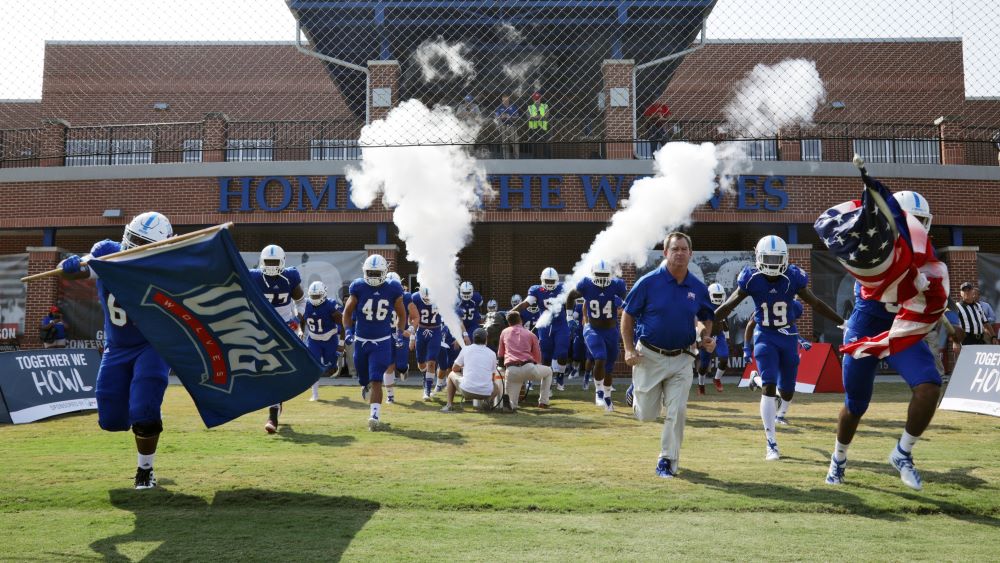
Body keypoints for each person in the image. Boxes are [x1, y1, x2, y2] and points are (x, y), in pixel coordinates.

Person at [823, 189, 945, 491]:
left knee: (929, 385)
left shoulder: (924, 257)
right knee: (855, 405)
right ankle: (838, 457)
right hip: (866, 330)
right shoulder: (872, 254)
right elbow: (887, 280)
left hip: (899, 329)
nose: (915, 228)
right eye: (908, 221)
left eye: (920, 222)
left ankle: (902, 453)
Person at [57, 211, 174, 489]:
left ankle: (145, 470)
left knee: (144, 409)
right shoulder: (109, 252)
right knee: (110, 419)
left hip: (152, 344)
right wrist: (70, 264)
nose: (134, 248)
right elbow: (84, 266)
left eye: (142, 243)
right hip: (118, 346)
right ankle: (144, 418)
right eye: (132, 239)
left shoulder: (169, 266)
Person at [714, 235, 844, 461]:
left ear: (785, 258)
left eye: (777, 258)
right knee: (770, 388)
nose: (773, 264)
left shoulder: (793, 276)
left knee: (787, 391)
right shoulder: (751, 278)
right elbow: (729, 305)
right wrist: (707, 320)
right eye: (768, 258)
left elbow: (816, 303)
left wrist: (842, 321)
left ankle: (755, 380)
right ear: (758, 258)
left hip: (787, 337)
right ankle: (771, 444)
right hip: (765, 335)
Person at [621, 232, 715, 479]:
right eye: (675, 249)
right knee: (646, 415)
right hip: (649, 356)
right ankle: (635, 392)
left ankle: (666, 460)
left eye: (684, 249)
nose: (680, 253)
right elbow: (627, 315)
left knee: (677, 411)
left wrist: (705, 337)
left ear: (690, 254)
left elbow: (706, 316)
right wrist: (629, 349)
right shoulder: (648, 282)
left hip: (683, 358)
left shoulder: (697, 287)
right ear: (665, 252)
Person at [342, 254, 407, 431]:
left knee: (376, 378)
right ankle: (366, 386)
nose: (373, 276)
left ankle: (374, 416)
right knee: (364, 380)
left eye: (376, 272)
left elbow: (402, 314)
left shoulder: (393, 288)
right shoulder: (358, 286)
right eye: (370, 272)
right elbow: (347, 313)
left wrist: (399, 333)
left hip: (382, 341)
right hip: (362, 341)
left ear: (385, 272)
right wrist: (348, 331)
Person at [249, 244, 305, 434]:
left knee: (277, 370)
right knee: (262, 371)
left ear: (283, 262)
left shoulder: (290, 276)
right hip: (262, 328)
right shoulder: (254, 276)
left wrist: (297, 320)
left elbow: (301, 301)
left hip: (284, 328)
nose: (272, 266)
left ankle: (273, 413)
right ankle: (276, 404)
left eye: (275, 262)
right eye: (268, 262)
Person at [573, 260, 627, 411]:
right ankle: (598, 392)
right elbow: (573, 296)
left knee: (609, 368)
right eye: (599, 274)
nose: (602, 277)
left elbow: (626, 306)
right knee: (600, 357)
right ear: (592, 274)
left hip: (611, 330)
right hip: (593, 328)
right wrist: (571, 316)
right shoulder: (586, 284)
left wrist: (621, 305)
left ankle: (608, 396)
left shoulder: (617, 285)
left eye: (605, 275)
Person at [513, 267, 570, 390]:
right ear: (542, 280)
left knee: (563, 351)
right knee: (546, 356)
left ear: (556, 280)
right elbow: (525, 303)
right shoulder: (536, 290)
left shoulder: (562, 287)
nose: (549, 284)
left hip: (560, 324)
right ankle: (547, 383)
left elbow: (571, 299)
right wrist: (511, 312)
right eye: (547, 281)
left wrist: (570, 316)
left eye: (551, 281)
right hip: (545, 326)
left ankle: (560, 375)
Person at [498, 311, 553, 411]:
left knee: (511, 404)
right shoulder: (531, 334)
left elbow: (500, 354)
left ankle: (511, 405)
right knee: (549, 371)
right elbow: (537, 358)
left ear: (509, 322)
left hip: (511, 370)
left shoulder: (504, 332)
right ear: (520, 320)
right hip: (528, 367)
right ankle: (543, 402)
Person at [440, 328, 502, 412]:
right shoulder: (492, 353)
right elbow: (492, 375)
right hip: (486, 393)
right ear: (486, 339)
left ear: (473, 338)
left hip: (467, 391)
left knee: (451, 374)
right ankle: (488, 401)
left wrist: (463, 368)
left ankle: (449, 405)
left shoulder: (466, 349)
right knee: (496, 387)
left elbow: (454, 368)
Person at [303, 281, 344, 401]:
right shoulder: (305, 304)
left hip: (329, 339)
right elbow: (301, 319)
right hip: (313, 340)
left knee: (330, 368)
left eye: (317, 296)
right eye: (313, 296)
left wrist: (341, 343)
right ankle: (314, 394)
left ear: (324, 294)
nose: (315, 299)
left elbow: (343, 325)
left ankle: (334, 365)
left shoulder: (330, 305)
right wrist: (301, 331)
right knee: (314, 366)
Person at [409, 286, 442, 401]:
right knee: (421, 363)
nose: (427, 301)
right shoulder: (415, 298)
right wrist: (412, 336)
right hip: (421, 330)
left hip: (436, 330)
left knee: (431, 361)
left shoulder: (440, 296)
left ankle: (427, 390)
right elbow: (411, 318)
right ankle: (425, 377)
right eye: (425, 298)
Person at [383, 272, 411, 404]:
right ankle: (390, 396)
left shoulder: (406, 298)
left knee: (401, 366)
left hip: (401, 333)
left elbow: (415, 316)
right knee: (389, 365)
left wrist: (410, 330)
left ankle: (404, 369)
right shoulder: (379, 297)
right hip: (386, 334)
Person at [698, 283, 730, 395]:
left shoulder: (724, 306)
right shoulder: (703, 306)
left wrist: (727, 336)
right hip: (707, 336)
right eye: (715, 295)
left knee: (724, 357)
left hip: (719, 335)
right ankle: (701, 385)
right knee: (704, 364)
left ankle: (717, 379)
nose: (718, 298)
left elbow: (725, 322)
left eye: (720, 295)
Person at [457, 280, 483, 345]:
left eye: (468, 292)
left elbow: (479, 308)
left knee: (475, 339)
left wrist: (479, 317)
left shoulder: (476, 297)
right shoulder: (457, 299)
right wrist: (465, 334)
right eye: (464, 293)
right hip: (460, 325)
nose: (466, 295)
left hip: (473, 324)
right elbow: (459, 320)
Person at [494, 94, 520, 159]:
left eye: (506, 100)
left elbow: (517, 117)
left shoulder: (513, 107)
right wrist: (501, 117)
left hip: (512, 126)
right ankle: (506, 158)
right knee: (505, 144)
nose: (505, 101)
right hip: (503, 126)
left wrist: (510, 117)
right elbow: (497, 117)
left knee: (515, 142)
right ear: (502, 100)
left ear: (508, 99)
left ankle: (517, 158)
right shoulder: (499, 108)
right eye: (504, 100)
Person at [526, 91, 550, 159]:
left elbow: (547, 115)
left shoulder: (545, 106)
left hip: (543, 127)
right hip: (533, 128)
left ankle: (546, 157)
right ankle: (534, 158)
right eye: (535, 99)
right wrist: (540, 116)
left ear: (540, 98)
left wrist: (535, 117)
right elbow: (528, 116)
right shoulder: (530, 107)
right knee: (534, 144)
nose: (537, 100)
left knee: (546, 143)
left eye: (538, 98)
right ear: (533, 99)